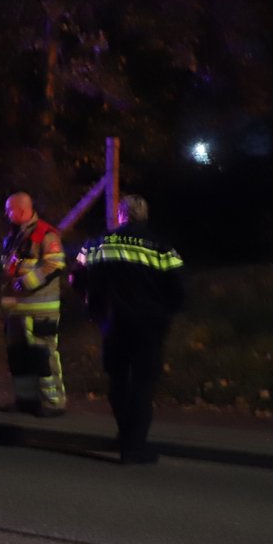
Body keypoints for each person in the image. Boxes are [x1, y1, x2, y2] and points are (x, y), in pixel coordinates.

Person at [75, 195, 185, 464]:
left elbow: (76, 277)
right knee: (143, 384)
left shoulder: (98, 243)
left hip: (113, 323)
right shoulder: (161, 246)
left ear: (121, 215)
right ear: (145, 216)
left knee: (118, 380)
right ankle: (134, 447)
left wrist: (94, 307)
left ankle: (126, 435)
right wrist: (166, 312)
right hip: (149, 325)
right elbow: (178, 287)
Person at [1, 191, 68, 416]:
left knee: (43, 356)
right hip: (16, 310)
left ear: (21, 210)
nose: (6, 214)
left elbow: (54, 265)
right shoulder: (14, 235)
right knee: (18, 356)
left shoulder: (45, 234)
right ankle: (25, 400)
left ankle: (53, 403)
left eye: (9, 210)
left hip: (40, 308)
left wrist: (25, 283)